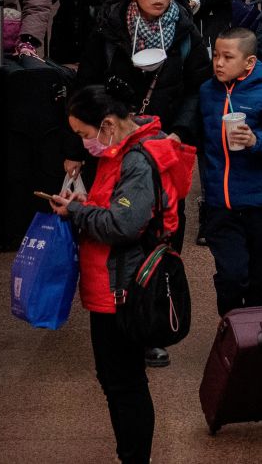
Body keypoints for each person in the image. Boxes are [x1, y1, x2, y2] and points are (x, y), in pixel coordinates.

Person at [52, 82, 194, 464]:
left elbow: (124, 223)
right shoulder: (128, 150)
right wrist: (89, 202)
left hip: (122, 289)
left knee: (124, 384)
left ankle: (134, 458)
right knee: (121, 381)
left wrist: (78, 212)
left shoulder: (136, 159)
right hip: (117, 285)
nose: (85, 144)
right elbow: (118, 208)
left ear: (109, 124)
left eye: (84, 134)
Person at [197, 28, 262, 314]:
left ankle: (255, 348)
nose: (218, 62)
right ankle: (230, 332)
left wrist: (257, 140)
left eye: (228, 57)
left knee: (260, 282)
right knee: (231, 276)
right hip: (221, 206)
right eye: (216, 55)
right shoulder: (206, 93)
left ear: (249, 63)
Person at [77, 0, 208, 158]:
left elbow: (198, 88)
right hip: (115, 141)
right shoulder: (109, 29)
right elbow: (85, 87)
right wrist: (76, 150)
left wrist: (180, 132)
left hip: (165, 143)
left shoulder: (186, 32)